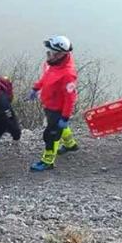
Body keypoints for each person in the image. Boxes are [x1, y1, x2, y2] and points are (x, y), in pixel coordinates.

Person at [29, 35, 79, 172]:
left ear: (60, 54)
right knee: (60, 128)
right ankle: (70, 144)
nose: (48, 55)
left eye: (51, 53)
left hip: (58, 110)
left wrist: (65, 117)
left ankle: (47, 161)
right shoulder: (53, 64)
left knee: (50, 135)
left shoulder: (68, 74)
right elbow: (46, 77)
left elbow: (70, 98)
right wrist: (36, 88)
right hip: (49, 105)